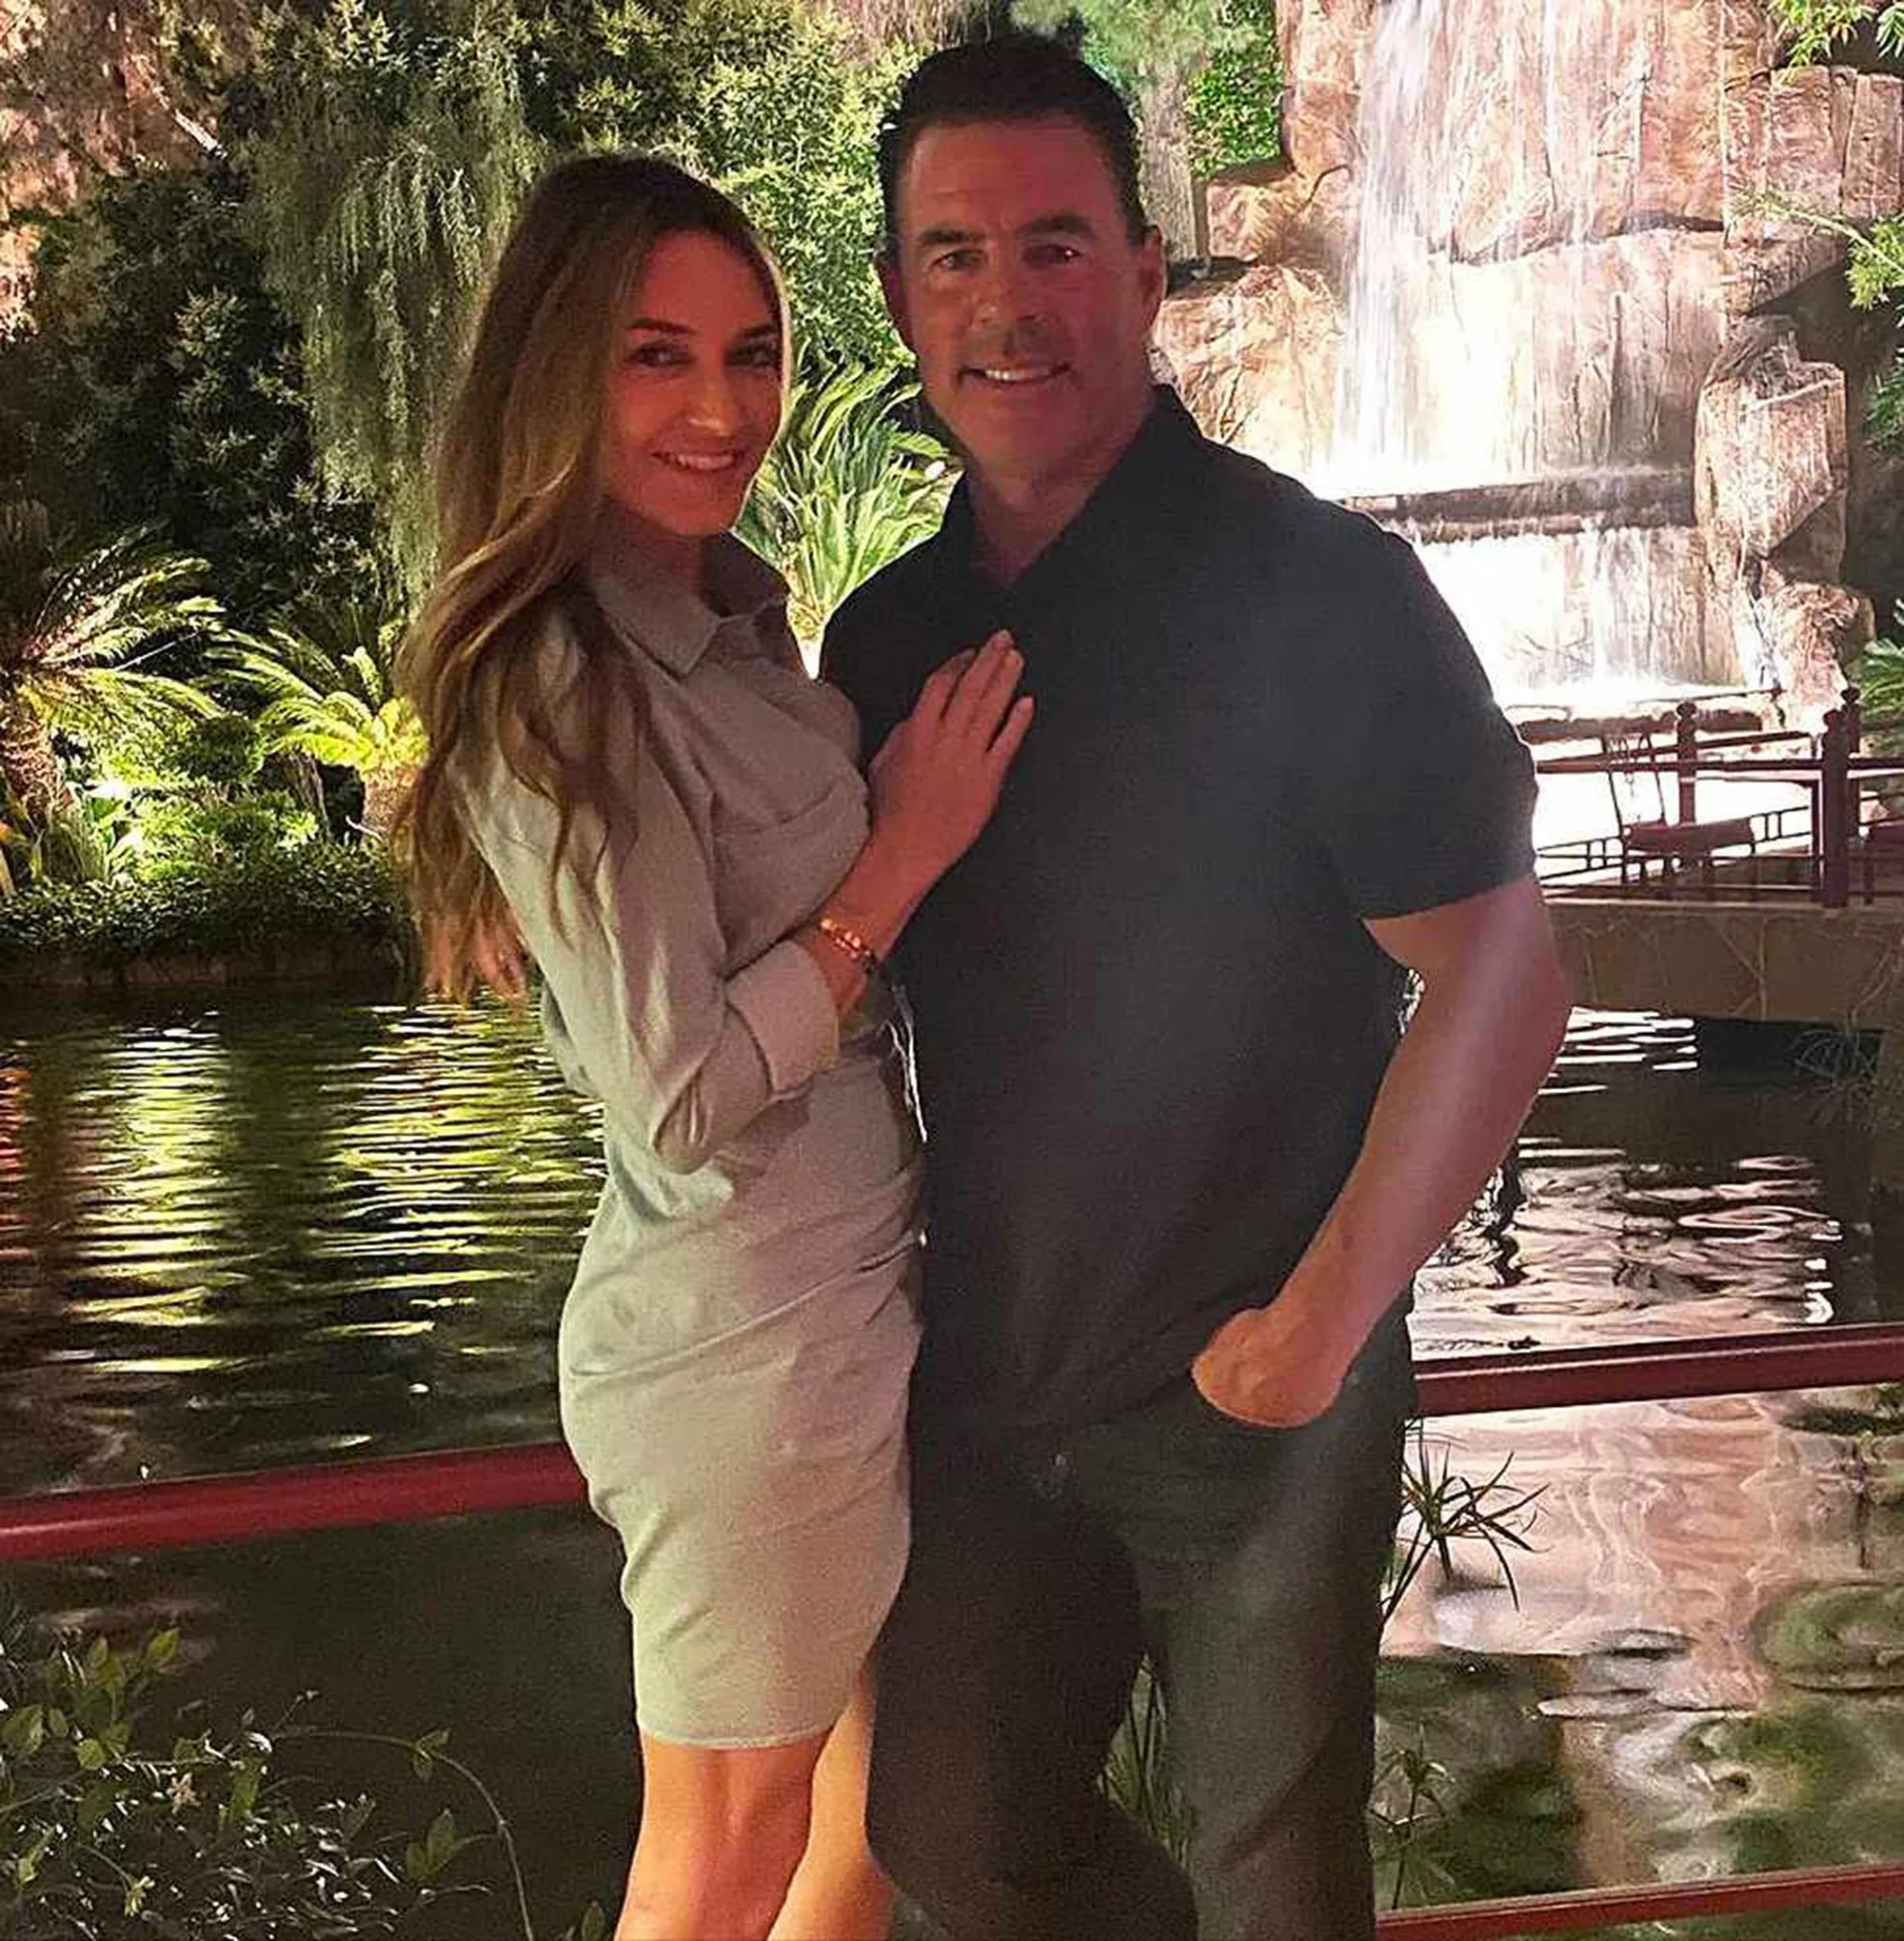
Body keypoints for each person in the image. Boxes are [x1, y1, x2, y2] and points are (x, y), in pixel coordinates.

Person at [822, 35, 1574, 1941]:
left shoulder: (1315, 589)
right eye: (955, 255)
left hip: (1259, 1393)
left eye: (1056, 246)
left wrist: (1323, 1320)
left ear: (1148, 276)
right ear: (904, 297)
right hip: (987, 1385)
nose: (1006, 303)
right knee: (951, 1832)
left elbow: (1502, 971)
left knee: (1274, 1888)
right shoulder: (889, 634)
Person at [398, 152, 1031, 1941]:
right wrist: (898, 860)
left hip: (835, 1307)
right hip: (745, 1340)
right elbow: (671, 1094)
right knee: (722, 1856)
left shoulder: (728, 632)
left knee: (849, 1829)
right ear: (557, 374)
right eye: (655, 355)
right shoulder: (559, 677)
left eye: (749, 353)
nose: (722, 405)